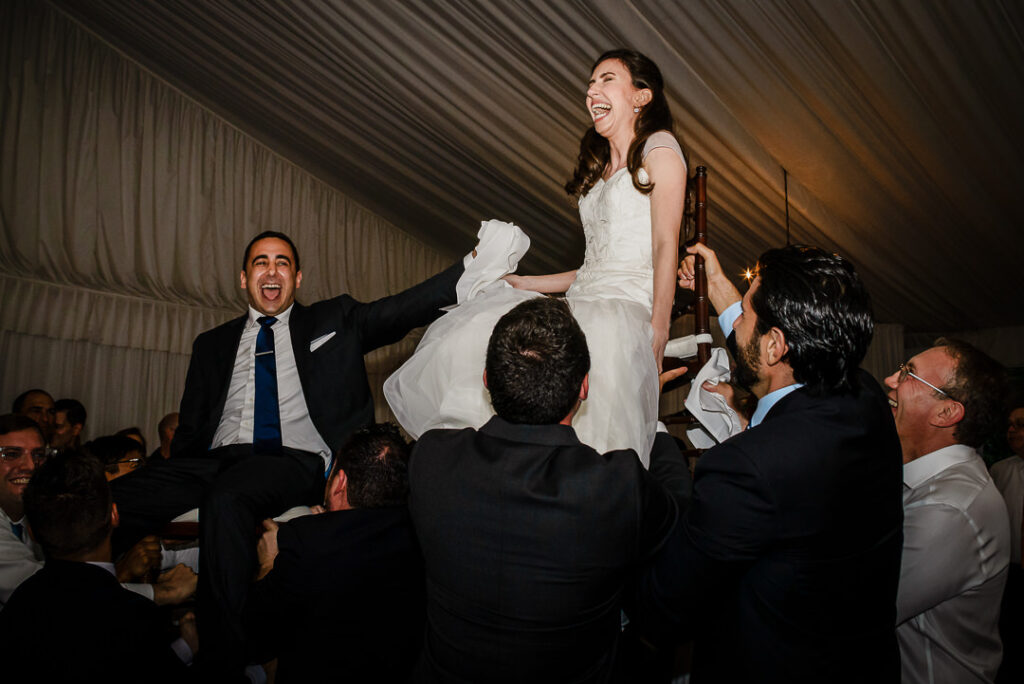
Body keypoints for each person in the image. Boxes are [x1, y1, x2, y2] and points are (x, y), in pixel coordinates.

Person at [110, 229, 476, 677]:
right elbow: (191, 425)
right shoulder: (211, 344)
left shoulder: (333, 319)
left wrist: (472, 266)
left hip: (294, 460)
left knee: (229, 497)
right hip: (215, 460)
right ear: (244, 279)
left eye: (282, 262)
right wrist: (172, 476)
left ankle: (221, 661)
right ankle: (105, 627)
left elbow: (402, 308)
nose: (271, 270)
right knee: (108, 499)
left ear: (297, 278)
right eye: (260, 262)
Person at [386, 48, 687, 465]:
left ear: (641, 96)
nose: (591, 91)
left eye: (606, 80)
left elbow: (664, 245)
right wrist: (525, 283)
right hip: (583, 299)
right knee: (481, 335)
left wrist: (658, 329)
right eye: (589, 84)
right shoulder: (601, 172)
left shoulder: (660, 148)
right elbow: (591, 267)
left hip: (625, 308)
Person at [637, 243, 904, 682]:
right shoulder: (866, 399)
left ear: (778, 344)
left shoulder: (748, 467)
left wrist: (654, 436)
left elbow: (664, 608)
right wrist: (722, 289)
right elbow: (759, 347)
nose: (734, 321)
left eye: (742, 315)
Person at [409, 297, 691, 683]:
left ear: (487, 380)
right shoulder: (616, 485)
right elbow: (682, 512)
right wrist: (649, 417)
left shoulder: (431, 458)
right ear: (585, 386)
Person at [244, 423, 424, 683]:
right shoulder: (418, 536)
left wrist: (268, 564)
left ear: (339, 483)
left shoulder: (304, 539)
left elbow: (256, 637)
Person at [0, 453, 194, 682]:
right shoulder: (134, 614)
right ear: (113, 515)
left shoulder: (19, 605)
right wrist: (188, 645)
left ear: (31, 531)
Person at [887, 341, 1011, 684]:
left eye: (908, 373)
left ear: (946, 413)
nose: (889, 380)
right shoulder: (927, 482)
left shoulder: (950, 507)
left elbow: (854, 607)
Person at [0, 415, 196, 610]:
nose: (29, 466)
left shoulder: (44, 514)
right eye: (10, 454)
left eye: (38, 455)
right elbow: (49, 596)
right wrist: (163, 592)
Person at [993, 404, 1024, 682]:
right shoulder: (1000, 471)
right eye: (1010, 424)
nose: (1011, 430)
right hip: (1010, 574)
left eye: (1020, 424)